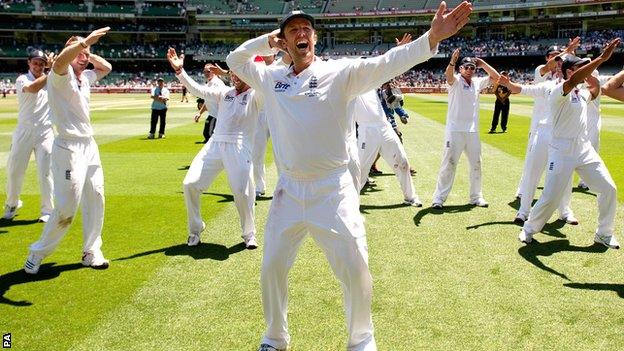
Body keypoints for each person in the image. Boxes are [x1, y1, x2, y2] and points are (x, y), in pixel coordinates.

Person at [226, 3, 473, 350]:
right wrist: (266, 42)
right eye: (293, 29)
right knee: (271, 269)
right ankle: (275, 338)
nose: (301, 34)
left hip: (333, 188)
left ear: (314, 38)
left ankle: (361, 340)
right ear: (284, 40)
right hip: (289, 190)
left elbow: (386, 64)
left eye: (306, 29)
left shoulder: (339, 73)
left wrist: (431, 38)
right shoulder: (271, 79)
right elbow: (234, 60)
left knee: (356, 268)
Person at [24, 27, 113, 275]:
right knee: (65, 207)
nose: (85, 56)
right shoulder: (59, 75)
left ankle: (91, 251)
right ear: (68, 51)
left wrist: (86, 51)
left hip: (89, 145)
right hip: (67, 146)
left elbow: (106, 68)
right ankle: (37, 251)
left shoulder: (85, 78)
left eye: (87, 54)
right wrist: (82, 43)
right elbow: (62, 61)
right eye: (80, 53)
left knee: (96, 196)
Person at [518, 39, 621, 249]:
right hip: (561, 150)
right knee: (550, 198)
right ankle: (528, 229)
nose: (584, 70)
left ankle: (604, 233)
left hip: (584, 149)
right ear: (568, 72)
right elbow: (575, 81)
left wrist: (592, 74)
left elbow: (595, 89)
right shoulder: (559, 92)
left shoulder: (581, 94)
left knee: (609, 189)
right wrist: (601, 59)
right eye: (579, 67)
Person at [167, 48, 261, 250]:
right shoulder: (223, 92)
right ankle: (195, 229)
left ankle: (249, 234)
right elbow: (197, 90)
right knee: (190, 183)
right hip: (216, 143)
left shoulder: (256, 95)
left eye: (239, 72)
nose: (234, 76)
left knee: (242, 193)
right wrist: (180, 71)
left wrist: (245, 68)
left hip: (239, 145)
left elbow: (265, 79)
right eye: (232, 73)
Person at [431, 49, 500, 210]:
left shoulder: (477, 82)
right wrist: (452, 61)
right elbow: (448, 75)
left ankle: (476, 197)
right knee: (449, 164)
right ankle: (438, 199)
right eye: (466, 67)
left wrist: (483, 64)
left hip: (472, 131)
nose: (469, 70)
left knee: (476, 163)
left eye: (472, 67)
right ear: (460, 69)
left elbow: (496, 77)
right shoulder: (455, 81)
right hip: (455, 130)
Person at [514, 41, 578, 199]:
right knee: (532, 161)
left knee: (557, 162)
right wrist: (566, 51)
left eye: (559, 57)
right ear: (547, 57)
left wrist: (570, 54)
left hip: (556, 125)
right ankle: (523, 191)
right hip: (538, 125)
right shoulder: (540, 71)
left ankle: (554, 196)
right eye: (553, 56)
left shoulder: (564, 74)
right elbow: (548, 67)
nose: (557, 59)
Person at [3, 49, 55, 222]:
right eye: (35, 63)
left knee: (46, 172)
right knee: (14, 171)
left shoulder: (51, 78)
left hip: (45, 132)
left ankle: (47, 210)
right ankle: (12, 203)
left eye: (41, 63)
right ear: (29, 63)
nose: (38, 66)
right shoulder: (22, 79)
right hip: (24, 131)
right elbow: (33, 88)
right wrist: (51, 71)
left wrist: (56, 69)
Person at [193, 64, 227, 143]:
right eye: (204, 71)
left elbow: (222, 100)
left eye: (208, 71)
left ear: (214, 72)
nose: (205, 73)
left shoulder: (217, 83)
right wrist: (200, 113)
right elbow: (208, 101)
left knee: (211, 137)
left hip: (218, 115)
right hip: (213, 114)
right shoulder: (209, 84)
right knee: (207, 135)